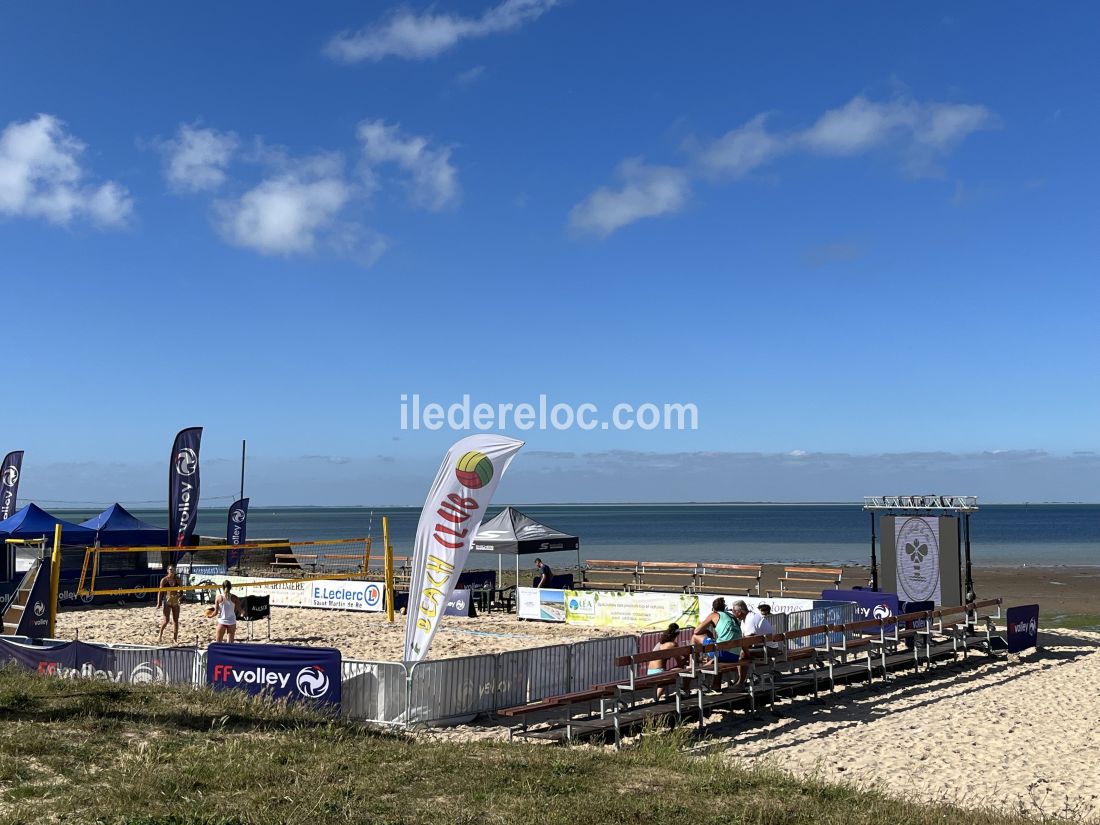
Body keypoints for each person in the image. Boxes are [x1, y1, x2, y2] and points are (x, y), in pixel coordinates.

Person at [693, 596, 741, 663]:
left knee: (695, 637)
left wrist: (707, 631)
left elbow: (696, 631)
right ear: (724, 608)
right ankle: (711, 661)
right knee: (716, 645)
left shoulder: (714, 615)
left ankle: (694, 663)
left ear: (713, 609)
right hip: (735, 656)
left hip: (722, 653)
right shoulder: (732, 616)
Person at [648, 623, 687, 700]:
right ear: (676, 635)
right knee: (685, 669)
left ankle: (656, 698)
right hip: (659, 672)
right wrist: (687, 659)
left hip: (650, 672)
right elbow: (679, 662)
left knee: (666, 674)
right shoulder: (673, 644)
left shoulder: (659, 643)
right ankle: (684, 690)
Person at [156, 565, 183, 643]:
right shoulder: (164, 580)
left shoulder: (178, 580)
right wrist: (159, 602)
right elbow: (160, 592)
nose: (172, 571)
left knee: (176, 620)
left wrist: (180, 597)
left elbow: (181, 591)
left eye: (173, 569)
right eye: (171, 569)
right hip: (167, 601)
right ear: (167, 570)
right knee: (166, 620)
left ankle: (175, 639)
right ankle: (160, 635)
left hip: (175, 600)